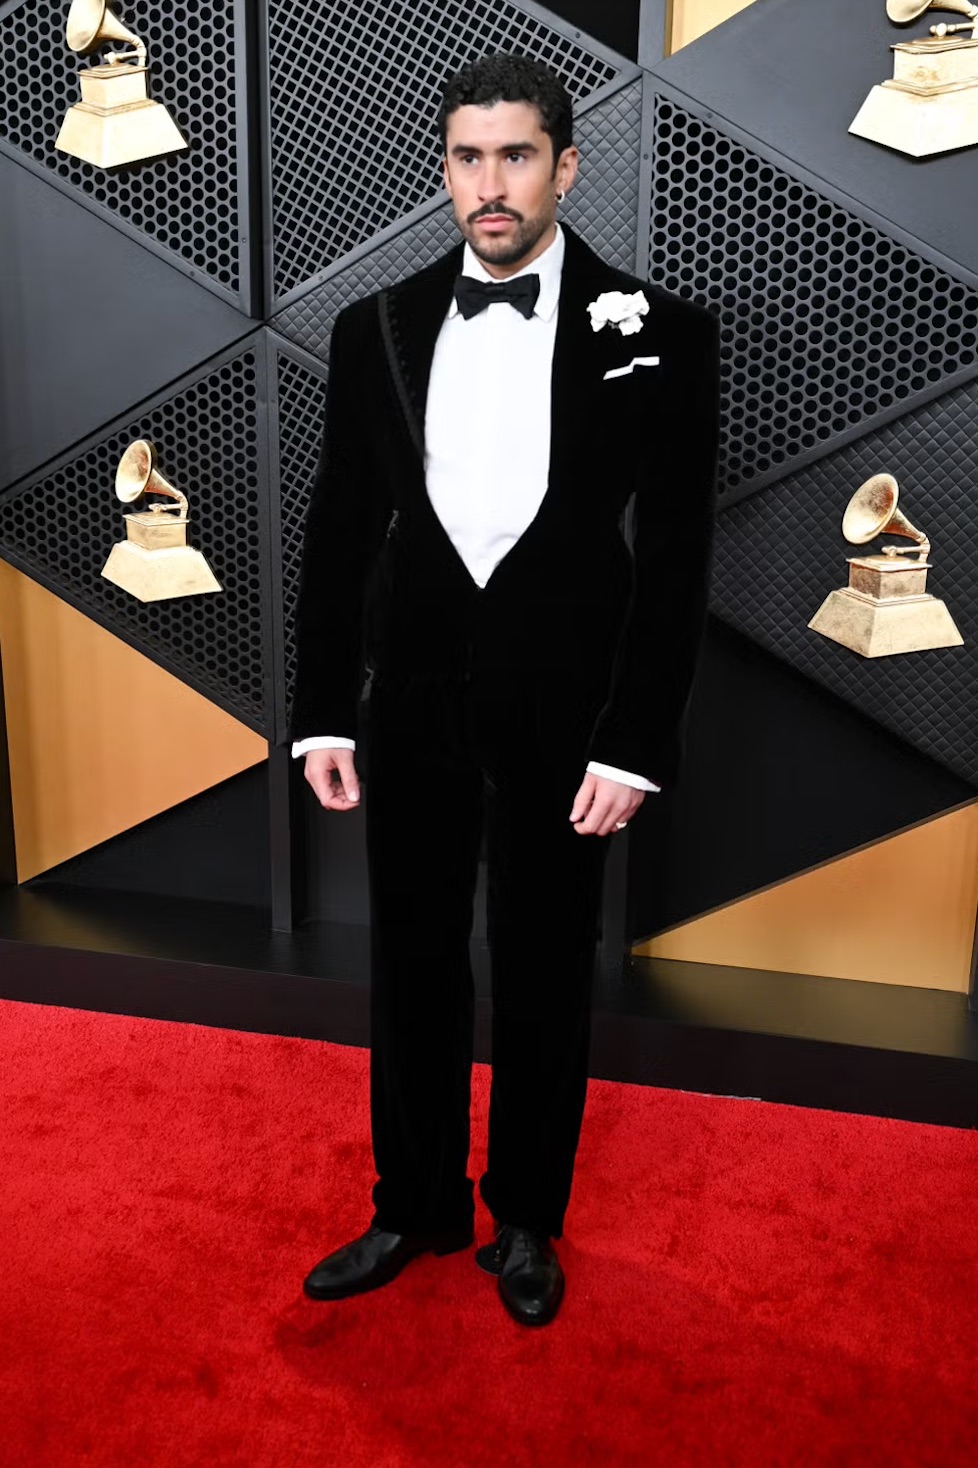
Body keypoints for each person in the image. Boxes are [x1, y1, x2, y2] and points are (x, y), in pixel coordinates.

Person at [290, 52, 720, 1327]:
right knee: (412, 962)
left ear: (565, 165)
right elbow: (335, 531)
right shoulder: (371, 328)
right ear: (446, 170)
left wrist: (634, 740)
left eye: (517, 155)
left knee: (541, 966)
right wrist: (323, 706)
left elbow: (680, 556)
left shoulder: (662, 333)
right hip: (408, 703)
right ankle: (410, 1203)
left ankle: (526, 1215)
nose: (492, 183)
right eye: (469, 157)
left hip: (567, 715)